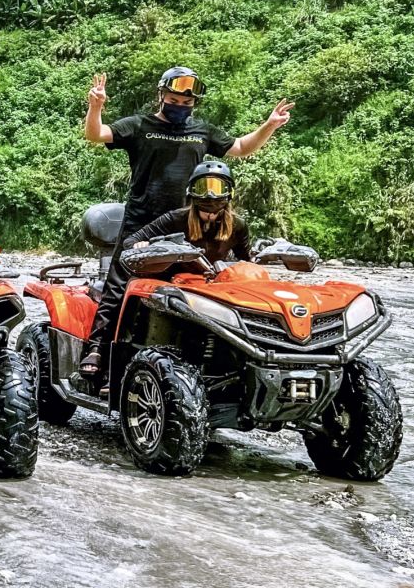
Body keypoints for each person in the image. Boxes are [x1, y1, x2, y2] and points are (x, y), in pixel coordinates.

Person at [78, 66, 292, 377]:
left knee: (190, 293)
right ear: (161, 95)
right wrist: (96, 106)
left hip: (187, 225)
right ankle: (96, 348)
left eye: (187, 102)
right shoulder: (140, 125)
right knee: (119, 288)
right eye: (175, 99)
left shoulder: (202, 131)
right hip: (142, 223)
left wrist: (269, 125)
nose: (180, 105)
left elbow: (243, 148)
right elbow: (96, 135)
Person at [119, 160, 251, 274]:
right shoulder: (175, 219)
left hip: (213, 285)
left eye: (217, 188)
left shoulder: (238, 225)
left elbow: (246, 262)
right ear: (191, 191)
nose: (209, 194)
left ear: (229, 192)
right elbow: (130, 241)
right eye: (202, 187)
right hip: (172, 285)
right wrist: (148, 246)